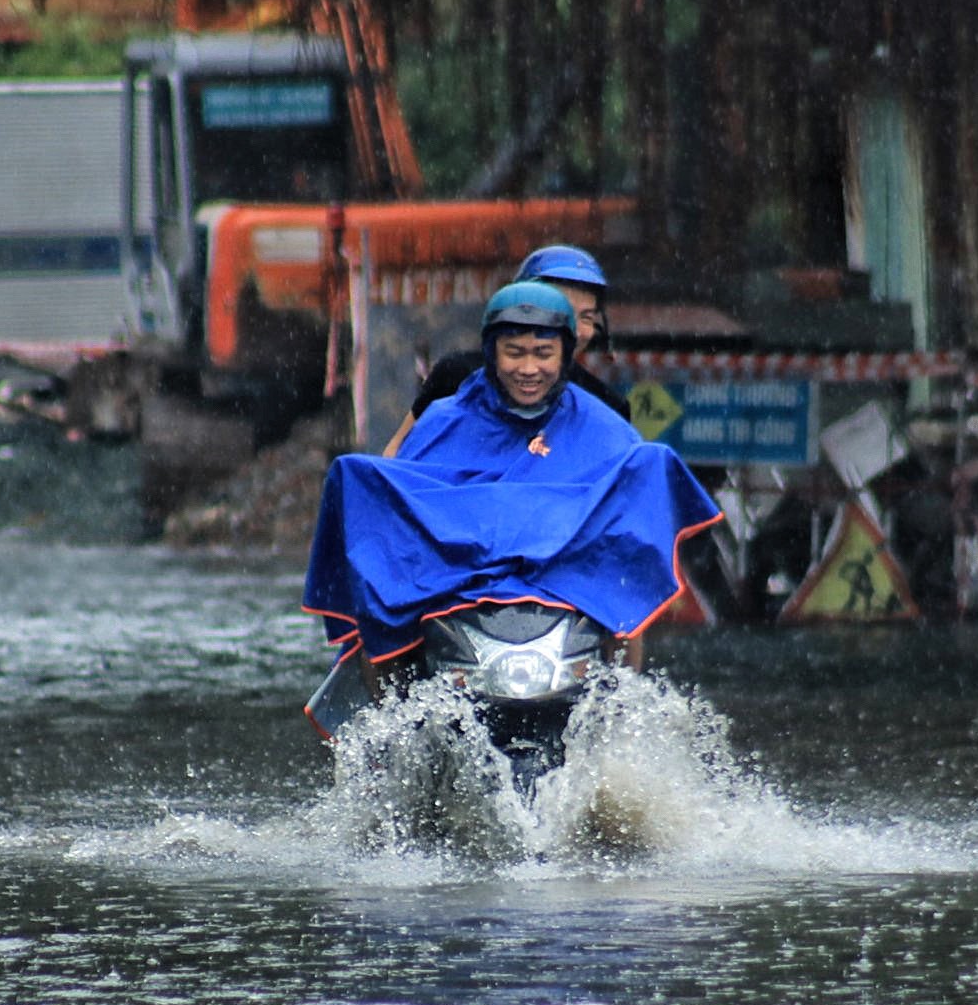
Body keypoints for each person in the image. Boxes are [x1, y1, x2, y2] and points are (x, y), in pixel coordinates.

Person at [303, 281, 721, 689]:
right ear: (491, 353)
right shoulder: (445, 417)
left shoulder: (603, 423)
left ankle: (620, 709)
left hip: (566, 582)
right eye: (514, 353)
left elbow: (626, 517)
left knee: (626, 609)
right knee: (377, 603)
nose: (528, 369)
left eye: (543, 353)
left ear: (564, 357)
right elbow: (408, 493)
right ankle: (389, 727)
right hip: (456, 584)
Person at [380, 243, 629, 458]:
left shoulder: (606, 407)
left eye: (586, 317)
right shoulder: (456, 377)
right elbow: (397, 459)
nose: (574, 330)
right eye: (559, 311)